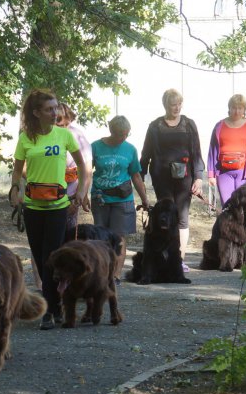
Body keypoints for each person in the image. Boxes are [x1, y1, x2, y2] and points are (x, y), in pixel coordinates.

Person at [9, 89, 90, 331]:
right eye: (49, 109)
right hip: (33, 208)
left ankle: (49, 310)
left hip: (58, 207)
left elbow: (84, 166)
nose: (55, 112)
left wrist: (82, 192)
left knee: (50, 257)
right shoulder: (25, 138)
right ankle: (54, 306)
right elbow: (17, 170)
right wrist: (15, 189)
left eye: (56, 108)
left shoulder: (64, 135)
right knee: (38, 255)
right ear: (36, 113)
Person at [140, 88, 204, 273]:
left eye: (179, 104)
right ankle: (161, 260)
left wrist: (199, 177)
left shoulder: (189, 125)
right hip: (162, 177)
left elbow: (197, 152)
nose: (176, 108)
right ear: (165, 105)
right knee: (164, 217)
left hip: (185, 179)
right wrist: (141, 175)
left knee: (182, 217)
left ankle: (178, 260)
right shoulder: (155, 126)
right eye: (172, 104)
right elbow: (146, 152)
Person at [90, 115, 149, 236]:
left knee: (119, 240)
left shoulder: (130, 149)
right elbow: (85, 172)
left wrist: (144, 199)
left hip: (123, 199)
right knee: (101, 237)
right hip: (100, 199)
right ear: (111, 131)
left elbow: (136, 176)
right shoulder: (95, 147)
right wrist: (82, 193)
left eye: (126, 134)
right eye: (120, 134)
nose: (123, 137)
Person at [207, 93, 246, 205]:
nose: (237, 111)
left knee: (244, 204)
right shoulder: (219, 126)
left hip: (244, 174)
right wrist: (211, 175)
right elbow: (212, 151)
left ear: (244, 109)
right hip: (223, 173)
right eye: (234, 108)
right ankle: (228, 223)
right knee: (227, 206)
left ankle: (244, 223)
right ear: (229, 108)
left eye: (240, 108)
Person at [54, 102, 92, 232]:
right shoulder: (42, 135)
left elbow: (87, 170)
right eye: (58, 124)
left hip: (70, 196)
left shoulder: (78, 136)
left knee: (68, 235)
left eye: (66, 124)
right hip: (45, 197)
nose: (62, 127)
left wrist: (81, 195)